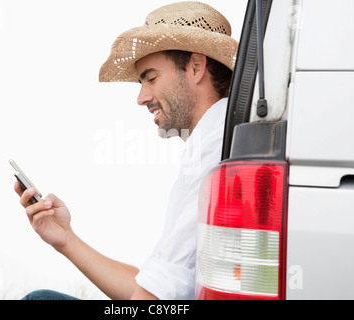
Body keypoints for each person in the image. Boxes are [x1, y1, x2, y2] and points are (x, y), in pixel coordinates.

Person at [16, 1, 238, 300]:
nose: (141, 97)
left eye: (151, 78)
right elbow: (154, 286)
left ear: (196, 67)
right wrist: (65, 239)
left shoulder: (217, 150)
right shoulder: (213, 141)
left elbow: (157, 295)